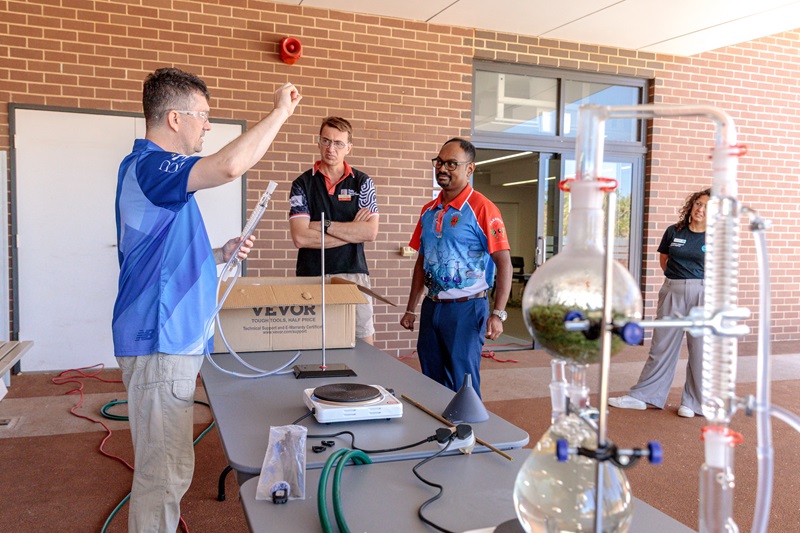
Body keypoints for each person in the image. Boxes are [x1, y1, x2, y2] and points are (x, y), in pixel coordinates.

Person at [112, 67, 301, 532]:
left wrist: (221, 253)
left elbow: (166, 251)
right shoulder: (152, 165)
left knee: (169, 468)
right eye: (204, 116)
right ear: (175, 118)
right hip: (159, 342)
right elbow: (229, 166)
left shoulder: (157, 177)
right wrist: (280, 112)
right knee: (163, 475)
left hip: (170, 341)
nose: (208, 126)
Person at [400, 138, 512, 398]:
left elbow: (504, 263)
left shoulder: (483, 209)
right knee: (431, 379)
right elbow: (421, 262)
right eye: (439, 162)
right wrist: (411, 308)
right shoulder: (428, 211)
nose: (442, 168)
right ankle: (437, 432)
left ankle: (468, 435)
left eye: (452, 163)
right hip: (432, 307)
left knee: (464, 383)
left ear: (469, 169)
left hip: (467, 309)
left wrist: (499, 313)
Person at [608, 188, 711, 418]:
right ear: (691, 205)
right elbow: (664, 258)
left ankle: (694, 403)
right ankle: (645, 397)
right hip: (672, 290)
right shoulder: (674, 231)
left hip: (703, 294)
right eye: (698, 203)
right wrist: (676, 281)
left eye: (706, 206)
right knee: (661, 346)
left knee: (701, 350)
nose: (700, 209)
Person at [288, 117, 379, 345]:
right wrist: (350, 233)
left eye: (339, 143)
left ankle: (366, 381)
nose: (331, 148)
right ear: (318, 142)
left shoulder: (363, 183)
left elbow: (369, 233)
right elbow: (300, 237)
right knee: (312, 342)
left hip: (353, 273)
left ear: (349, 147)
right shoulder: (302, 184)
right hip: (311, 275)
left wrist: (323, 225)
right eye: (326, 141)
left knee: (361, 338)